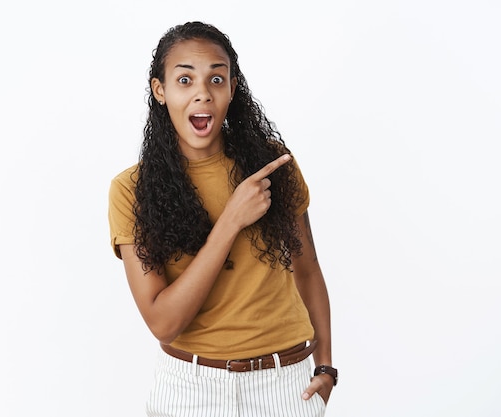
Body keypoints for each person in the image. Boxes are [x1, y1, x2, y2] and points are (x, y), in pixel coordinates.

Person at [108, 21, 336, 416]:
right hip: (191, 390)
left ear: (232, 88)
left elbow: (309, 268)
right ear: (159, 91)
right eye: (184, 80)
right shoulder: (132, 189)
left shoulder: (272, 165)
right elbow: (163, 323)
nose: (202, 93)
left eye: (216, 78)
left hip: (286, 386)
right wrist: (231, 220)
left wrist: (327, 367)